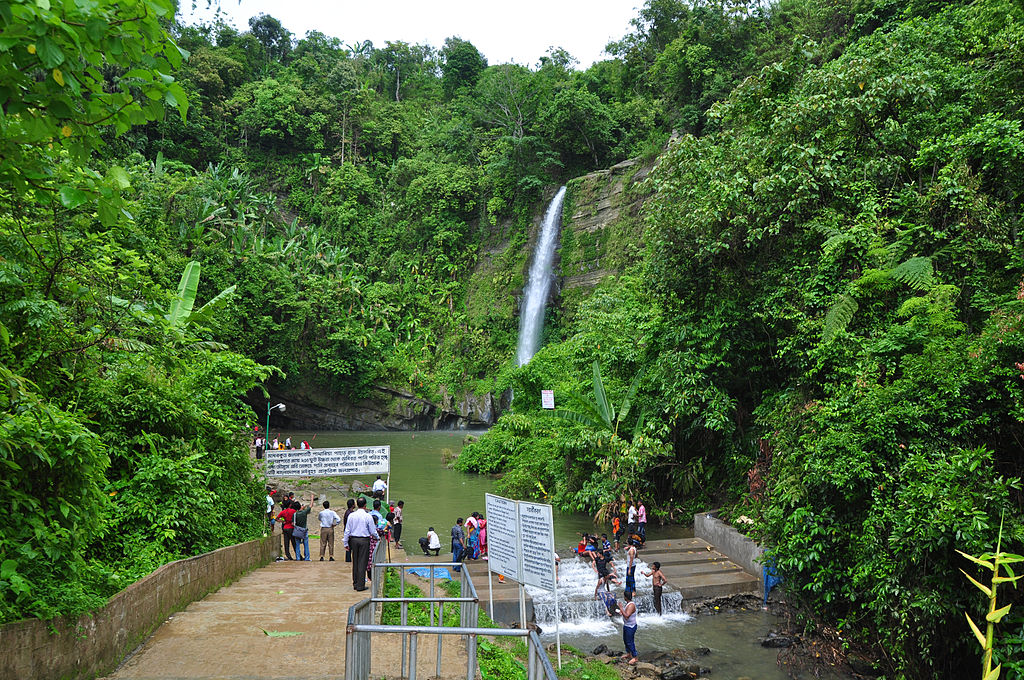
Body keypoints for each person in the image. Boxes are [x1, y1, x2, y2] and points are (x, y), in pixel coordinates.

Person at [343, 497, 376, 591]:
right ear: (365, 505)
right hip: (364, 540)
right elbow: (372, 531)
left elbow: (347, 530)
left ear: (357, 505)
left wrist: (345, 542)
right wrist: (377, 538)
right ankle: (360, 585)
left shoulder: (352, 516)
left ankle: (355, 583)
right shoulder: (368, 516)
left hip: (353, 540)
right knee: (362, 562)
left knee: (355, 561)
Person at [621, 590, 639, 665]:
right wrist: (621, 611)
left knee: (630, 642)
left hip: (631, 627)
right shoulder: (628, 604)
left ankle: (635, 657)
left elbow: (627, 616)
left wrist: (621, 608)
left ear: (625, 597)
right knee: (625, 640)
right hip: (627, 625)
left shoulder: (631, 605)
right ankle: (629, 653)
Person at [293, 496, 312, 561]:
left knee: (297, 545)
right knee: (306, 544)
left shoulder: (295, 514)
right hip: (304, 530)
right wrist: (312, 498)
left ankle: (298, 558)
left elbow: (293, 523)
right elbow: (310, 506)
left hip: (297, 531)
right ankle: (307, 558)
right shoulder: (304, 512)